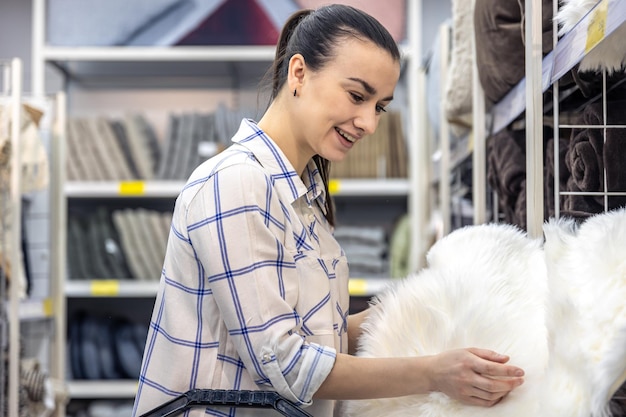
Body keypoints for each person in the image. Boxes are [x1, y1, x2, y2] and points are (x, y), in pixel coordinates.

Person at [132, 4, 525, 417]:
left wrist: (432, 300)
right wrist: (433, 373)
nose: (369, 124)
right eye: (357, 96)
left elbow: (324, 338)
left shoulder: (302, 197)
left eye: (379, 106)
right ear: (299, 73)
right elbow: (285, 364)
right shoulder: (236, 184)